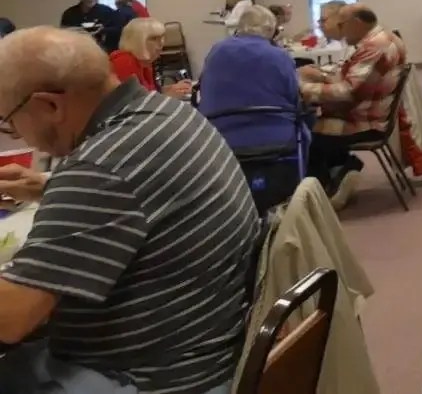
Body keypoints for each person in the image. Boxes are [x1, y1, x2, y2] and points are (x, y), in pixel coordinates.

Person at [0, 27, 258, 393]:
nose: (16, 132)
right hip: (204, 348)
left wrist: (73, 189)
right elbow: (142, 199)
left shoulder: (99, 168)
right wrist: (50, 188)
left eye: (10, 120)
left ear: (51, 106)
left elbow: (12, 318)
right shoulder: (165, 113)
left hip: (147, 379)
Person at [300, 3, 406, 207]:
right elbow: (357, 80)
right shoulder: (383, 38)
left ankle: (324, 197)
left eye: (342, 24)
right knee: (318, 126)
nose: (339, 30)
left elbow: (348, 92)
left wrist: (305, 89)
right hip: (370, 112)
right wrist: (321, 75)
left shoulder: (374, 46)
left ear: (356, 23)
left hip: (367, 122)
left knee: (307, 137)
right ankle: (343, 170)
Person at [199, 6, 301, 114]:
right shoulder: (279, 56)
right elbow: (294, 97)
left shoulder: (216, 50)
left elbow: (204, 87)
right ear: (271, 30)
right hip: (271, 125)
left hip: (215, 126)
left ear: (240, 26)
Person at [109, 17, 192, 98]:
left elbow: (148, 91)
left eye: (162, 37)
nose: (161, 43)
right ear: (137, 41)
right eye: (154, 38)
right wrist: (167, 95)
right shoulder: (124, 61)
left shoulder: (144, 62)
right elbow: (133, 102)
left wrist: (171, 89)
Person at [58, 0, 122, 51]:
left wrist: (103, 29)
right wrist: (75, 29)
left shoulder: (105, 10)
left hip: (100, 47)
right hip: (76, 47)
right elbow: (62, 30)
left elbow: (117, 28)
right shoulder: (70, 13)